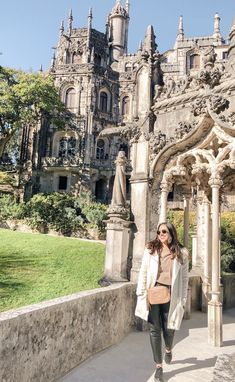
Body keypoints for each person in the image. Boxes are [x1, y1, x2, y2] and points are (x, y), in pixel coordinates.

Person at [135, 222, 189, 382]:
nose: (161, 234)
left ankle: (168, 348)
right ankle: (158, 367)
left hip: (171, 295)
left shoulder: (182, 253)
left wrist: (183, 299)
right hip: (153, 292)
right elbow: (143, 272)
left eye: (164, 231)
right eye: (159, 232)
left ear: (172, 233)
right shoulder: (151, 249)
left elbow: (184, 279)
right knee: (154, 329)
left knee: (169, 328)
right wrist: (142, 294)